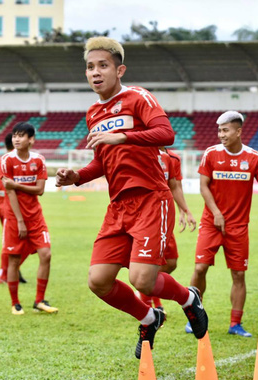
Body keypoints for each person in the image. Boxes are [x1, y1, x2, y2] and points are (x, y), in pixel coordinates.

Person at [55, 36, 208, 359]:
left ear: (119, 69)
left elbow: (166, 134)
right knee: (98, 281)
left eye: (103, 66)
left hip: (151, 198)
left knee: (143, 280)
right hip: (118, 206)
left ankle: (188, 299)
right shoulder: (93, 112)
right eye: (90, 67)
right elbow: (102, 161)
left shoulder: (138, 97)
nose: (95, 72)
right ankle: (150, 318)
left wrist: (121, 135)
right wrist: (77, 177)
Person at [188, 111, 258, 337]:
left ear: (238, 131)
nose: (221, 135)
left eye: (226, 130)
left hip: (238, 227)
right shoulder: (211, 154)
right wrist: (216, 212)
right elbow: (203, 187)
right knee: (200, 268)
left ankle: (235, 323)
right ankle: (194, 317)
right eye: (219, 130)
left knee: (239, 275)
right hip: (212, 223)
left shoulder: (254, 158)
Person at [0, 122, 57, 315]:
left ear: (31, 139)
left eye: (21, 135)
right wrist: (20, 220)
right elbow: (10, 193)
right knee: (14, 260)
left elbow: (40, 190)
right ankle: (15, 303)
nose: (16, 139)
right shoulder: (6, 160)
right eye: (14, 135)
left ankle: (39, 300)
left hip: (36, 217)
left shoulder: (39, 160)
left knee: (46, 255)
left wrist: (16, 185)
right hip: (14, 218)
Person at [138, 147, 197, 311]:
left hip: (164, 217)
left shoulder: (173, 158)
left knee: (170, 263)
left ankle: (146, 291)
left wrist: (185, 211)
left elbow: (175, 186)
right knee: (149, 264)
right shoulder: (140, 153)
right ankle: (149, 307)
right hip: (145, 218)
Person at [0, 132, 28, 284]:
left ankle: (13, 270)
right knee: (16, 242)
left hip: (0, 203)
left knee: (14, 240)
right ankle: (4, 273)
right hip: (11, 204)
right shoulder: (13, 161)